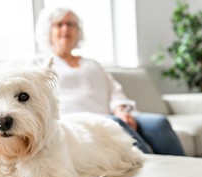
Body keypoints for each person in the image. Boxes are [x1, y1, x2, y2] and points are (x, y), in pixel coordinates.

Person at [34, 7, 185, 155]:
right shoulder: (40, 64)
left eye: (70, 24)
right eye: (59, 24)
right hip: (81, 120)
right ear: (48, 31)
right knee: (117, 125)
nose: (65, 28)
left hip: (112, 115)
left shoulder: (92, 64)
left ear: (78, 31)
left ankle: (189, 171)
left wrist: (121, 110)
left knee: (159, 122)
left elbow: (114, 90)